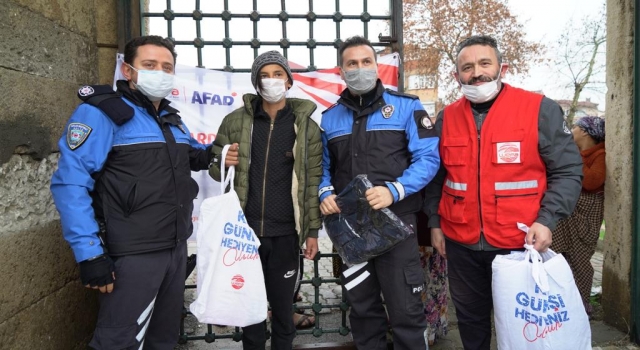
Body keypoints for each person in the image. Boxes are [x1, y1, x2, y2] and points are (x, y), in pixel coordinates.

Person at [50, 35, 212, 349]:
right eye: (149, 65)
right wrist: (91, 254)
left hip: (176, 248)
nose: (160, 73)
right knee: (119, 342)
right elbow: (70, 183)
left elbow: (195, 156)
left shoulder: (172, 120)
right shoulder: (103, 113)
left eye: (167, 67)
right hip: (133, 253)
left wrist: (220, 152)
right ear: (128, 70)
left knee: (163, 339)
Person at [423, 35, 583, 350]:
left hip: (519, 245)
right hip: (461, 243)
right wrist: (435, 222)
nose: (476, 73)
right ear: (457, 76)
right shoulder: (447, 117)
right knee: (470, 322)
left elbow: (567, 171)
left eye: (484, 63)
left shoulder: (539, 109)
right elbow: (436, 177)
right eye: (466, 67)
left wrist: (547, 219)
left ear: (501, 67)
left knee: (525, 327)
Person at [319, 35, 440, 350]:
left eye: (366, 62)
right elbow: (323, 167)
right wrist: (323, 192)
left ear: (376, 66)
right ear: (341, 71)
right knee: (362, 311)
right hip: (352, 232)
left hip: (397, 224)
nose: (360, 69)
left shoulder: (406, 107)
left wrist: (395, 190)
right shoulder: (329, 118)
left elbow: (428, 158)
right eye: (352, 64)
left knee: (406, 311)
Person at [208, 50, 322, 350]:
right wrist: (223, 159)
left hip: (286, 234)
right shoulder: (235, 121)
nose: (271, 81)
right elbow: (214, 168)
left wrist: (312, 232)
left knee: (283, 312)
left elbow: (312, 182)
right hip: (245, 236)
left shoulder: (307, 126)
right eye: (264, 75)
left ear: (288, 80)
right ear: (255, 82)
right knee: (250, 312)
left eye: (277, 74)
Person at [552, 115, 606, 316]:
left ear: (584, 131)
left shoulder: (599, 154)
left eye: (575, 126)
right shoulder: (576, 153)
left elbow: (592, 181)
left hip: (585, 214)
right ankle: (562, 303)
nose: (572, 129)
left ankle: (581, 308)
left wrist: (572, 160)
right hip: (567, 213)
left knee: (580, 261)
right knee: (558, 257)